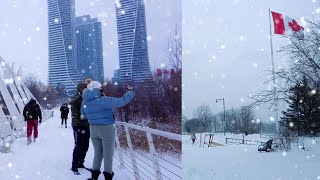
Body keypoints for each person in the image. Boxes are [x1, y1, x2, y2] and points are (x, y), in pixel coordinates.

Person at [81, 81, 135, 180]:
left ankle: (94, 176)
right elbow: (121, 101)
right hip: (106, 128)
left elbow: (83, 115)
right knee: (108, 154)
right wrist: (130, 92)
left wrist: (94, 115)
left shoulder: (84, 101)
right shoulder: (104, 100)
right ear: (99, 89)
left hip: (93, 128)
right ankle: (108, 176)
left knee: (98, 153)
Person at [69, 82, 91, 175]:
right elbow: (71, 102)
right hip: (77, 125)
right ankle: (74, 166)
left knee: (85, 145)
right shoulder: (75, 97)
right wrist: (81, 95)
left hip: (86, 125)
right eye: (85, 89)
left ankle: (80, 163)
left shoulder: (88, 98)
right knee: (78, 145)